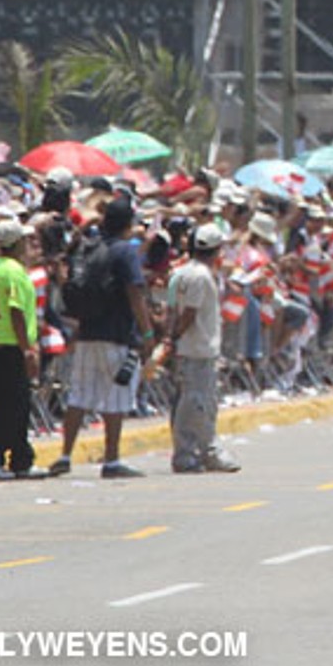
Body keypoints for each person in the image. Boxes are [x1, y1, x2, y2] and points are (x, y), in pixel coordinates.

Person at [48, 198, 154, 479]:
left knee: (79, 395)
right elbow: (134, 292)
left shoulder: (89, 246)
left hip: (87, 332)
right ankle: (111, 460)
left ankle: (65, 454)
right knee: (115, 398)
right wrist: (147, 332)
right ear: (128, 224)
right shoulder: (125, 252)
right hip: (116, 334)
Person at [164, 223, 241, 474]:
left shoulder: (181, 273)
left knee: (192, 402)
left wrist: (169, 338)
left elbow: (171, 309)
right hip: (197, 347)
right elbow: (188, 314)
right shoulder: (200, 276)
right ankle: (198, 452)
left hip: (193, 347)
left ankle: (194, 451)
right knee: (198, 404)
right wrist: (174, 337)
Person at [0, 219, 45, 481]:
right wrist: (27, 348)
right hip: (11, 346)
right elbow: (15, 310)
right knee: (10, 407)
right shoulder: (14, 271)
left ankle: (20, 458)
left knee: (14, 405)